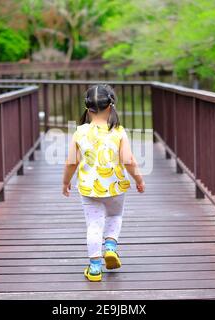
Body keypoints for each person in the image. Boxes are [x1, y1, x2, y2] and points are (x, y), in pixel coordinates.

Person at [62, 84, 145, 282]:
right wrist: (139, 179)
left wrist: (65, 182)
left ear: (87, 107)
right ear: (111, 106)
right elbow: (128, 160)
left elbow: (71, 162)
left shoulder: (80, 132)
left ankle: (95, 269)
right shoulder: (118, 132)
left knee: (94, 225)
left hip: (89, 189)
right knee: (115, 215)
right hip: (115, 187)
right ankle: (110, 247)